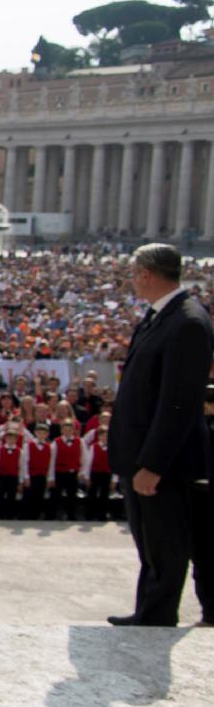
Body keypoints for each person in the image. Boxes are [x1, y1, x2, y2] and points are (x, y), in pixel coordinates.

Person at [107, 243, 214, 627]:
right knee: (153, 542)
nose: (133, 281)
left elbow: (178, 403)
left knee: (164, 543)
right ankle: (150, 609)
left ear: (147, 274)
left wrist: (152, 464)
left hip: (164, 461)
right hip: (145, 452)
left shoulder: (186, 321)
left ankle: (156, 615)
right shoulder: (162, 316)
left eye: (134, 273)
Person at [50, 423, 84, 520]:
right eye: (65, 430)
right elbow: (52, 460)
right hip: (59, 473)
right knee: (55, 495)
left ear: (73, 431)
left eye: (70, 430)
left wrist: (82, 472)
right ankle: (52, 516)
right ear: (62, 431)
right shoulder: (56, 442)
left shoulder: (80, 441)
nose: (67, 432)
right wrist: (51, 477)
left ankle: (71, 516)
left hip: (73, 473)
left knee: (72, 495)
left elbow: (84, 458)